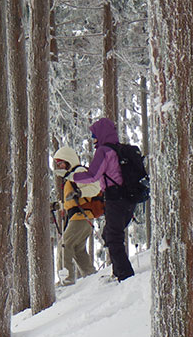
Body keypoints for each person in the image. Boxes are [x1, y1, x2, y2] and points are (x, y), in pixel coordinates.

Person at [72, 118, 135, 282]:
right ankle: (118, 272)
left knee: (113, 237)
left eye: (94, 135)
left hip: (115, 199)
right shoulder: (119, 149)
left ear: (100, 135)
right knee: (109, 233)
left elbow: (93, 175)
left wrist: (72, 176)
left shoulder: (104, 151)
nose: (93, 139)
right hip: (128, 199)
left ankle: (125, 276)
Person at [52, 146, 100, 286]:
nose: (60, 166)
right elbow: (70, 199)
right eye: (58, 164)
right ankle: (91, 277)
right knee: (78, 249)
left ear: (69, 160)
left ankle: (66, 280)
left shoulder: (79, 172)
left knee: (64, 245)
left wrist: (79, 193)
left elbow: (95, 188)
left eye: (61, 163)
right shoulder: (72, 176)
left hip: (81, 217)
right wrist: (57, 206)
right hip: (81, 217)